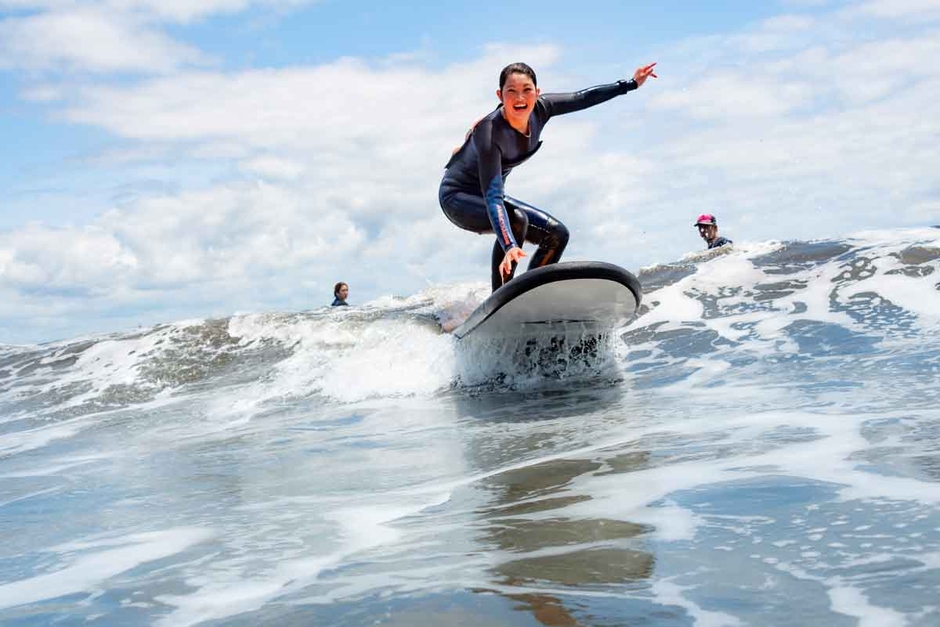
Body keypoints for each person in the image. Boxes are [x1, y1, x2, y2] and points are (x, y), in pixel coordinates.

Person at [439, 61, 657, 292]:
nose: (519, 97)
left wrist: (630, 84)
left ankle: (529, 295)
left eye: (526, 90)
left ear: (537, 92)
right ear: (500, 95)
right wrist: (510, 245)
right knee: (517, 220)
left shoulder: (542, 109)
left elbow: (581, 98)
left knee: (556, 234)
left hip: (488, 199)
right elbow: (493, 196)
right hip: (458, 197)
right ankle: (501, 297)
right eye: (511, 91)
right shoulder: (489, 131)